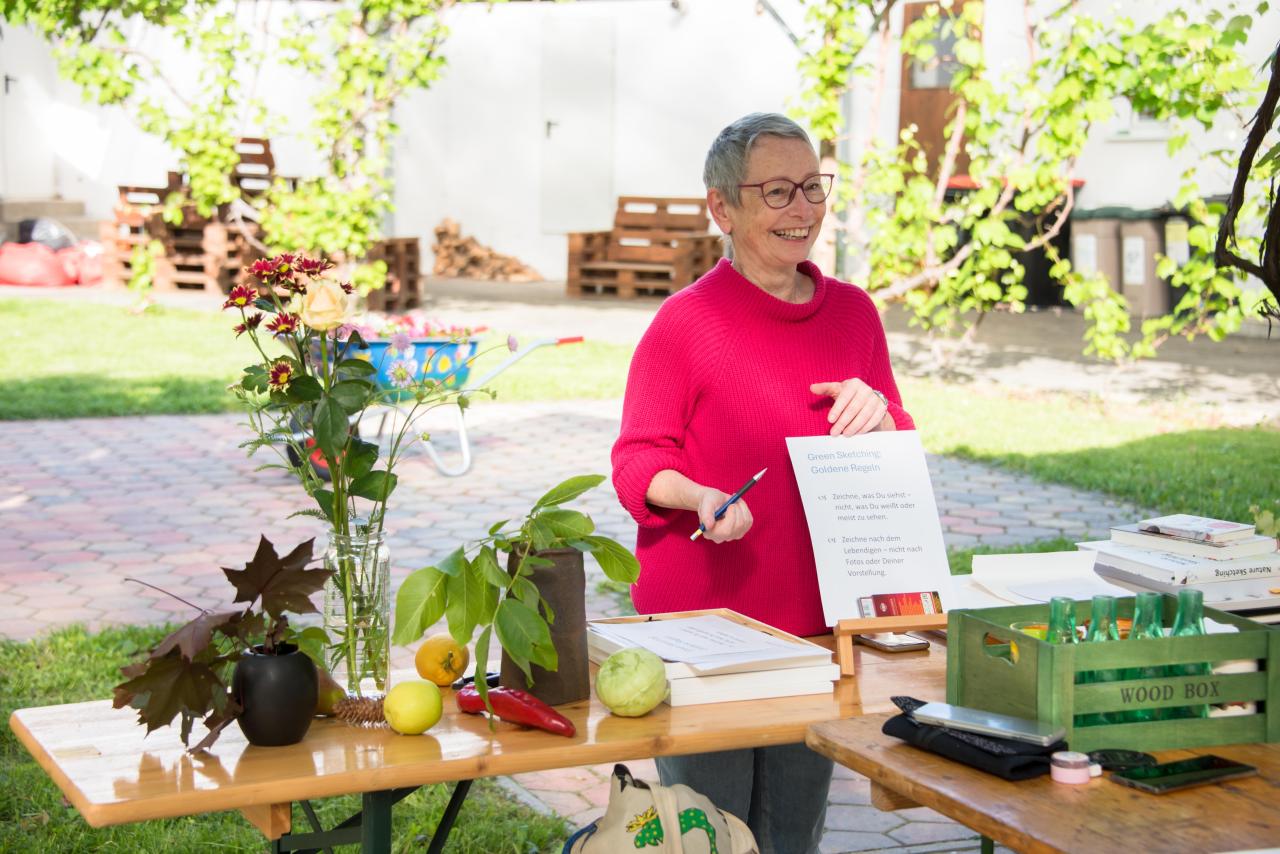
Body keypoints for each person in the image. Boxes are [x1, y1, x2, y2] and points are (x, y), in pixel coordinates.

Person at [610, 112, 915, 853]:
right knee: (707, 836)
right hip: (704, 635)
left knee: (792, 838)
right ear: (723, 208)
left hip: (816, 629)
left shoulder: (854, 314)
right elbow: (635, 463)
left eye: (813, 186)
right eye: (778, 191)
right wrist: (700, 496)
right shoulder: (685, 325)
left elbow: (896, 441)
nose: (802, 209)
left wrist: (883, 418)